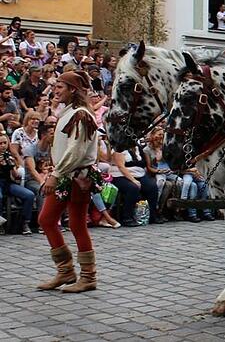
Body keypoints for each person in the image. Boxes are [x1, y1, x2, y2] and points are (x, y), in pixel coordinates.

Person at [36, 71, 101, 292]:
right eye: (55, 86)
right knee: (54, 221)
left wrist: (55, 174)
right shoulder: (69, 112)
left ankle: (86, 276)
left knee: (68, 223)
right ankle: (66, 271)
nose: (55, 90)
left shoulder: (81, 115)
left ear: (73, 90)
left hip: (75, 177)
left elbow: (76, 151)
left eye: (60, 87)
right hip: (67, 175)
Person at [110, 146, 162, 227]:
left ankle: (152, 215)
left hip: (139, 174)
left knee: (152, 187)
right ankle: (127, 217)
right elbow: (121, 167)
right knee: (132, 188)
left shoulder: (138, 148)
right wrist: (133, 180)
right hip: (120, 175)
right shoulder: (118, 148)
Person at [0, 133, 36, 234]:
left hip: (8, 183)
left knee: (29, 195)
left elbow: (16, 177)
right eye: (0, 143)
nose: (2, 145)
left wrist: (12, 166)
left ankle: (25, 222)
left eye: (4, 143)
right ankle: (0, 223)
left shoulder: (9, 156)